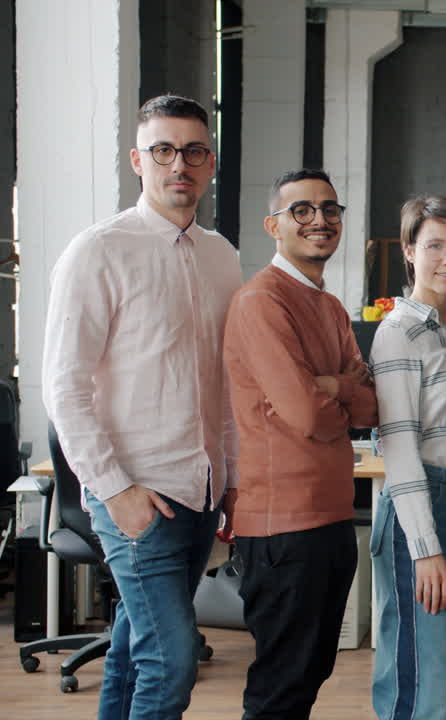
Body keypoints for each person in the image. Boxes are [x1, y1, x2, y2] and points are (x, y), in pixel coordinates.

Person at [42, 94, 240, 719]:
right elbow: (64, 387)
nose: (178, 163)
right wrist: (114, 489)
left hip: (201, 491)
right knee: (172, 660)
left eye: (193, 150)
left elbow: (222, 384)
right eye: (163, 150)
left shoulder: (223, 256)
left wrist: (230, 477)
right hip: (135, 492)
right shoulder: (98, 250)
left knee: (134, 649)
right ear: (138, 160)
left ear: (210, 163)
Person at [223, 169, 379, 719]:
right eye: (303, 210)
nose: (320, 220)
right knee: (281, 687)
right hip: (283, 524)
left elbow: (370, 403)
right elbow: (306, 415)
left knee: (309, 675)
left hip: (331, 516)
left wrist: (332, 385)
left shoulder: (331, 307)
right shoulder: (261, 302)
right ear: (274, 225)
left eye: (330, 210)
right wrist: (339, 391)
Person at [368, 195, 446, 720]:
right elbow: (398, 446)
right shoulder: (398, 333)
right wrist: (425, 548)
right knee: (426, 682)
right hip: (424, 509)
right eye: (435, 245)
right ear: (410, 252)